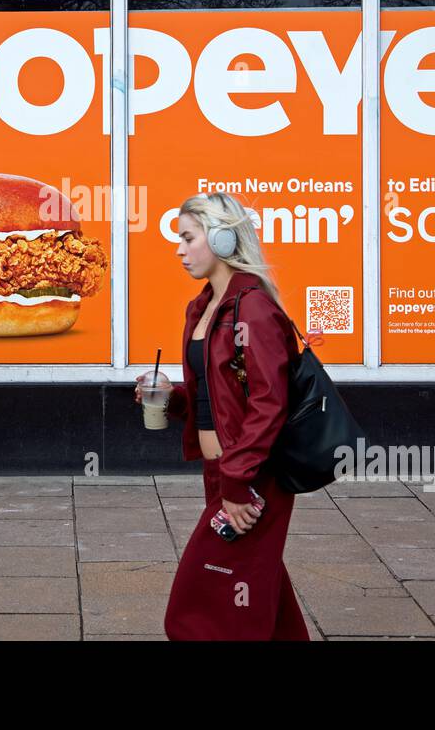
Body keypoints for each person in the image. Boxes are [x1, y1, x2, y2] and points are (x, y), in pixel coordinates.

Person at [137, 191, 310, 641]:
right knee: (255, 579)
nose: (178, 249)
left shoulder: (253, 308)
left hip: (251, 475)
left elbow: (270, 404)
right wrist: (172, 399)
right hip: (220, 471)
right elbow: (217, 395)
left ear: (223, 240)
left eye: (188, 237)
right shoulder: (202, 307)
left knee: (194, 609)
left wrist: (238, 481)